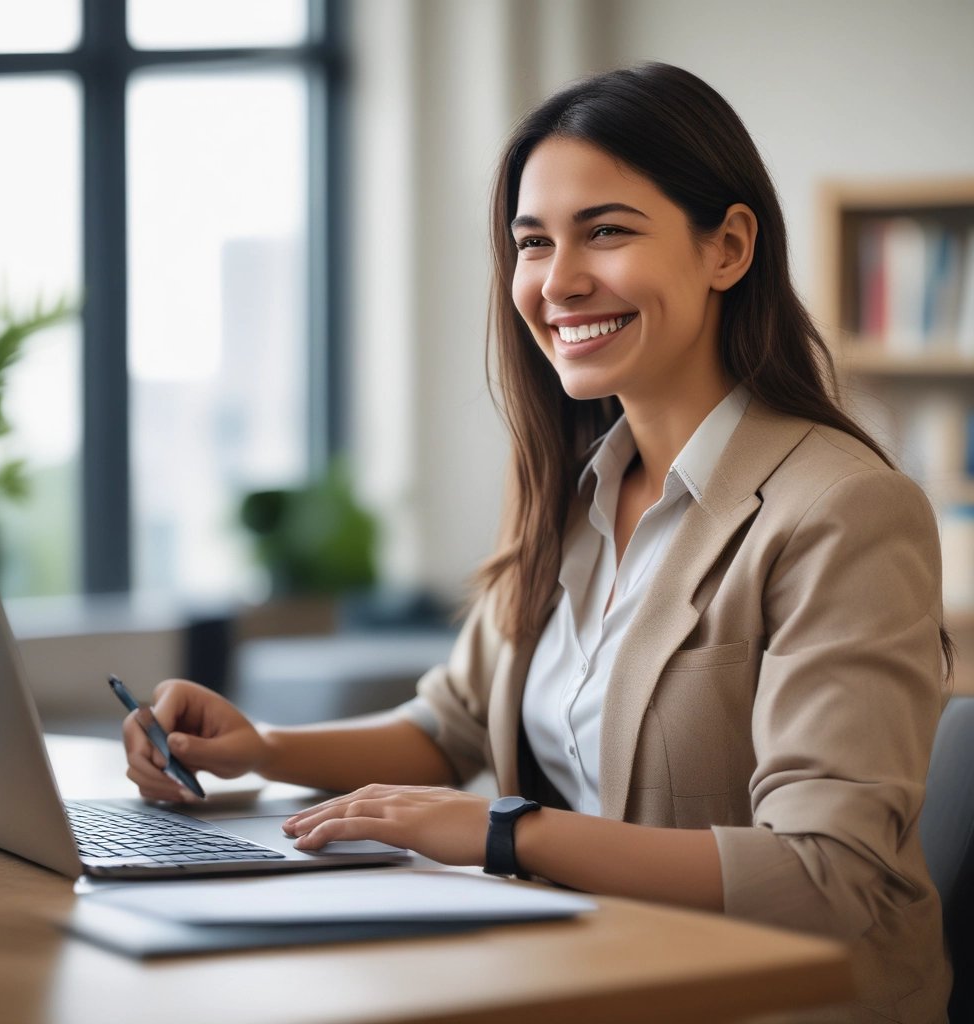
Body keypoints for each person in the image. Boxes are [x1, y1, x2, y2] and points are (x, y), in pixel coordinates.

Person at [123, 64, 951, 1022]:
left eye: (606, 230)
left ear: (727, 247)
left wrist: (507, 832)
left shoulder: (842, 510)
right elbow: (453, 728)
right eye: (532, 244)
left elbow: (827, 877)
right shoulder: (571, 490)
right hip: (587, 977)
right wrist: (261, 748)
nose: (557, 282)